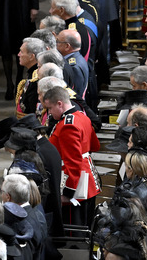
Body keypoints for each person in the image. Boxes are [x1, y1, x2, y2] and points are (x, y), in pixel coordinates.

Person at [43, 86, 100, 226]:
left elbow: (73, 162)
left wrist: (68, 192)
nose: (49, 113)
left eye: (50, 108)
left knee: (73, 230)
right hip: (88, 179)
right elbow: (95, 146)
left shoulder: (68, 126)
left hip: (77, 185)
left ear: (60, 104)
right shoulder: (82, 116)